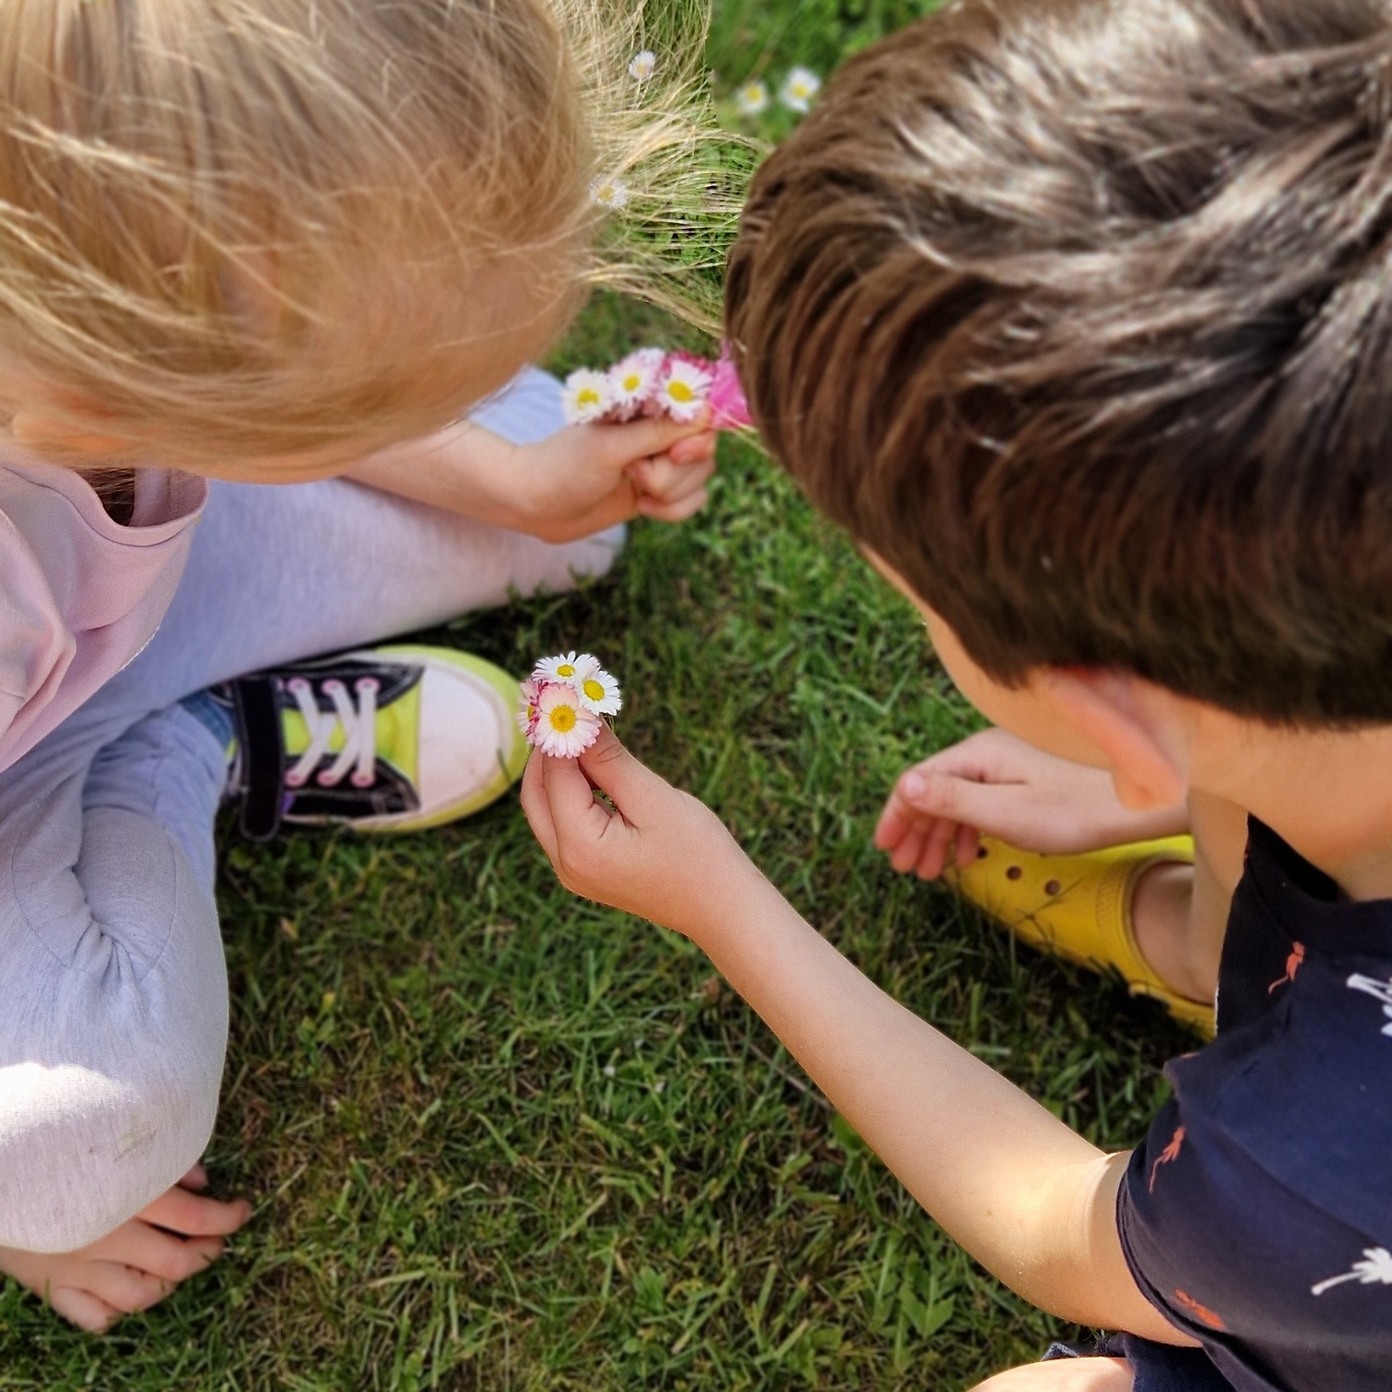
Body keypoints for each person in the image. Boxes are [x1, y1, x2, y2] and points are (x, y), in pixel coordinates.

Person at [523, 0, 1392, 1386]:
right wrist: (1158, 778)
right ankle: (1204, 944)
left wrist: (724, 903)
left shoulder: (1316, 1165)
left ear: (1119, 710)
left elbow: (1056, 1226)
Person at [0, 0, 719, 1332]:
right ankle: (187, 746)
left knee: (571, 519)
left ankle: (191, 665)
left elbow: (253, 379)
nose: (414, 408)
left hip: (139, 563)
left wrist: (510, 487)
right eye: (358, 407)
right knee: (75, 1142)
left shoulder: (91, 296)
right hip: (17, 781)